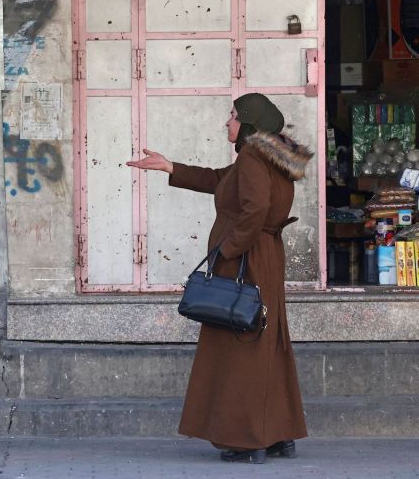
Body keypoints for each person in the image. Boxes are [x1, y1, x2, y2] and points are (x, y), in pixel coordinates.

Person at [127, 93, 312, 464]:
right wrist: (169, 167)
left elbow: (254, 208)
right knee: (265, 342)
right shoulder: (266, 157)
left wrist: (227, 250)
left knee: (241, 346)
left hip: (245, 260)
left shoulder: (252, 157)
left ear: (249, 123)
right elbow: (218, 180)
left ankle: (248, 440)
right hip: (264, 259)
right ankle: (277, 434)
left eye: (232, 116)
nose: (227, 122)